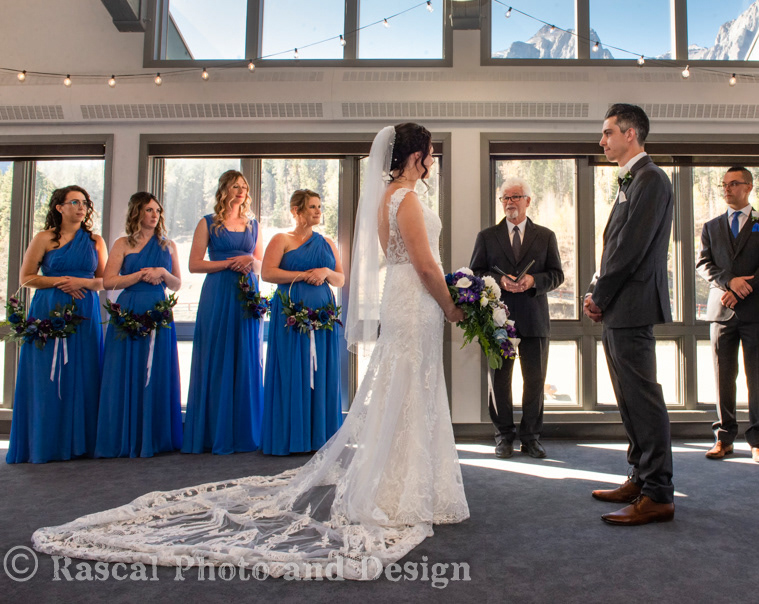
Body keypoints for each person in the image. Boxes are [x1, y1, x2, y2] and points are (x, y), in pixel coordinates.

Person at [33, 123, 470, 580]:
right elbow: (423, 263)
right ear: (417, 156)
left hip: (402, 298)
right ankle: (405, 488)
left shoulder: (387, 199)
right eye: (431, 153)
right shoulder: (407, 199)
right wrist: (450, 303)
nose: (434, 160)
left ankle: (401, 482)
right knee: (411, 387)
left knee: (404, 388)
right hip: (415, 299)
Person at [585, 103, 675, 526]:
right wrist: (595, 292)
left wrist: (600, 296)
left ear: (631, 134)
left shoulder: (651, 179)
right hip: (621, 305)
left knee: (643, 399)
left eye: (607, 133)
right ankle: (639, 477)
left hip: (633, 305)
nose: (602, 141)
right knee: (628, 400)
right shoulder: (633, 179)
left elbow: (631, 249)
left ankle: (658, 492)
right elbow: (614, 247)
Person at [6, 186, 107, 464]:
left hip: (85, 311)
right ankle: (43, 443)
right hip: (48, 308)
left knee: (84, 373)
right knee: (46, 377)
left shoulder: (96, 241)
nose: (81, 207)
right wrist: (61, 281)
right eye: (74, 202)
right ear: (59, 207)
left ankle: (81, 444)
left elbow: (104, 281)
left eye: (84, 202)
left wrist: (81, 283)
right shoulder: (44, 238)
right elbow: (26, 278)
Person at [470, 176, 564, 459]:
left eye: (515, 197)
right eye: (505, 198)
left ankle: (531, 438)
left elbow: (557, 275)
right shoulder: (486, 236)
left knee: (535, 381)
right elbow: (475, 273)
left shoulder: (546, 235)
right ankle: (503, 437)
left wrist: (533, 280)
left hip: (535, 318)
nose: (509, 203)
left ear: (528, 201)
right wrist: (499, 279)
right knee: (499, 381)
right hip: (499, 319)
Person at [696, 167, 759, 464]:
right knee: (723, 378)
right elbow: (703, 265)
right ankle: (723, 438)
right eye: (724, 185)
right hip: (721, 312)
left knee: (756, 377)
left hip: (755, 310)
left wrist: (745, 287)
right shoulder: (712, 226)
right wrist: (729, 282)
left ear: (749, 187)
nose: (727, 189)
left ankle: (758, 441)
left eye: (733, 184)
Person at [182, 170, 265, 455]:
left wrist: (250, 260)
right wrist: (229, 263)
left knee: (246, 356)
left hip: (246, 294)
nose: (241, 190)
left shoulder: (253, 224)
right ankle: (212, 431)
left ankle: (245, 430)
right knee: (215, 356)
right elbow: (194, 264)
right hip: (218, 292)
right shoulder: (207, 223)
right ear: (224, 190)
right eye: (235, 186)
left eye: (244, 186)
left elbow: (261, 264)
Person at [95, 192, 183, 458]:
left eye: (157, 210)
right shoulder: (123, 243)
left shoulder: (169, 245)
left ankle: (155, 437)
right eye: (148, 210)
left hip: (158, 309)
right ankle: (124, 436)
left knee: (156, 369)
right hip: (130, 308)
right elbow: (108, 282)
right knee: (125, 369)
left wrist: (163, 274)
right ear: (136, 213)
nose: (154, 214)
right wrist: (137, 276)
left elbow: (177, 283)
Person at [260, 189, 346, 455]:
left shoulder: (328, 242)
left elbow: (340, 279)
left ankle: (321, 436)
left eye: (320, 206)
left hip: (323, 317)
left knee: (322, 371)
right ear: (296, 210)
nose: (318, 211)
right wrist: (304, 274)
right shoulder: (281, 239)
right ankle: (290, 436)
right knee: (292, 368)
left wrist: (326, 272)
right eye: (312, 206)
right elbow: (267, 273)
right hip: (290, 312)